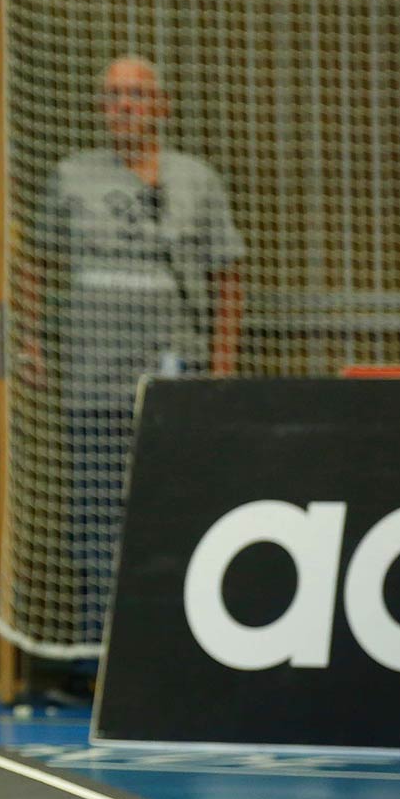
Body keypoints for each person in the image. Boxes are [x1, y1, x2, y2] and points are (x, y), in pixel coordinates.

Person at [35, 55, 244, 662]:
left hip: (172, 380)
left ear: (162, 106)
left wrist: (222, 362)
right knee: (96, 517)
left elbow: (228, 271)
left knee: (172, 508)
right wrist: (30, 343)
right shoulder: (71, 176)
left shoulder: (196, 179)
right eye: (113, 96)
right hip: (92, 382)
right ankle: (104, 652)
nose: (124, 106)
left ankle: (175, 644)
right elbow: (34, 264)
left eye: (137, 95)